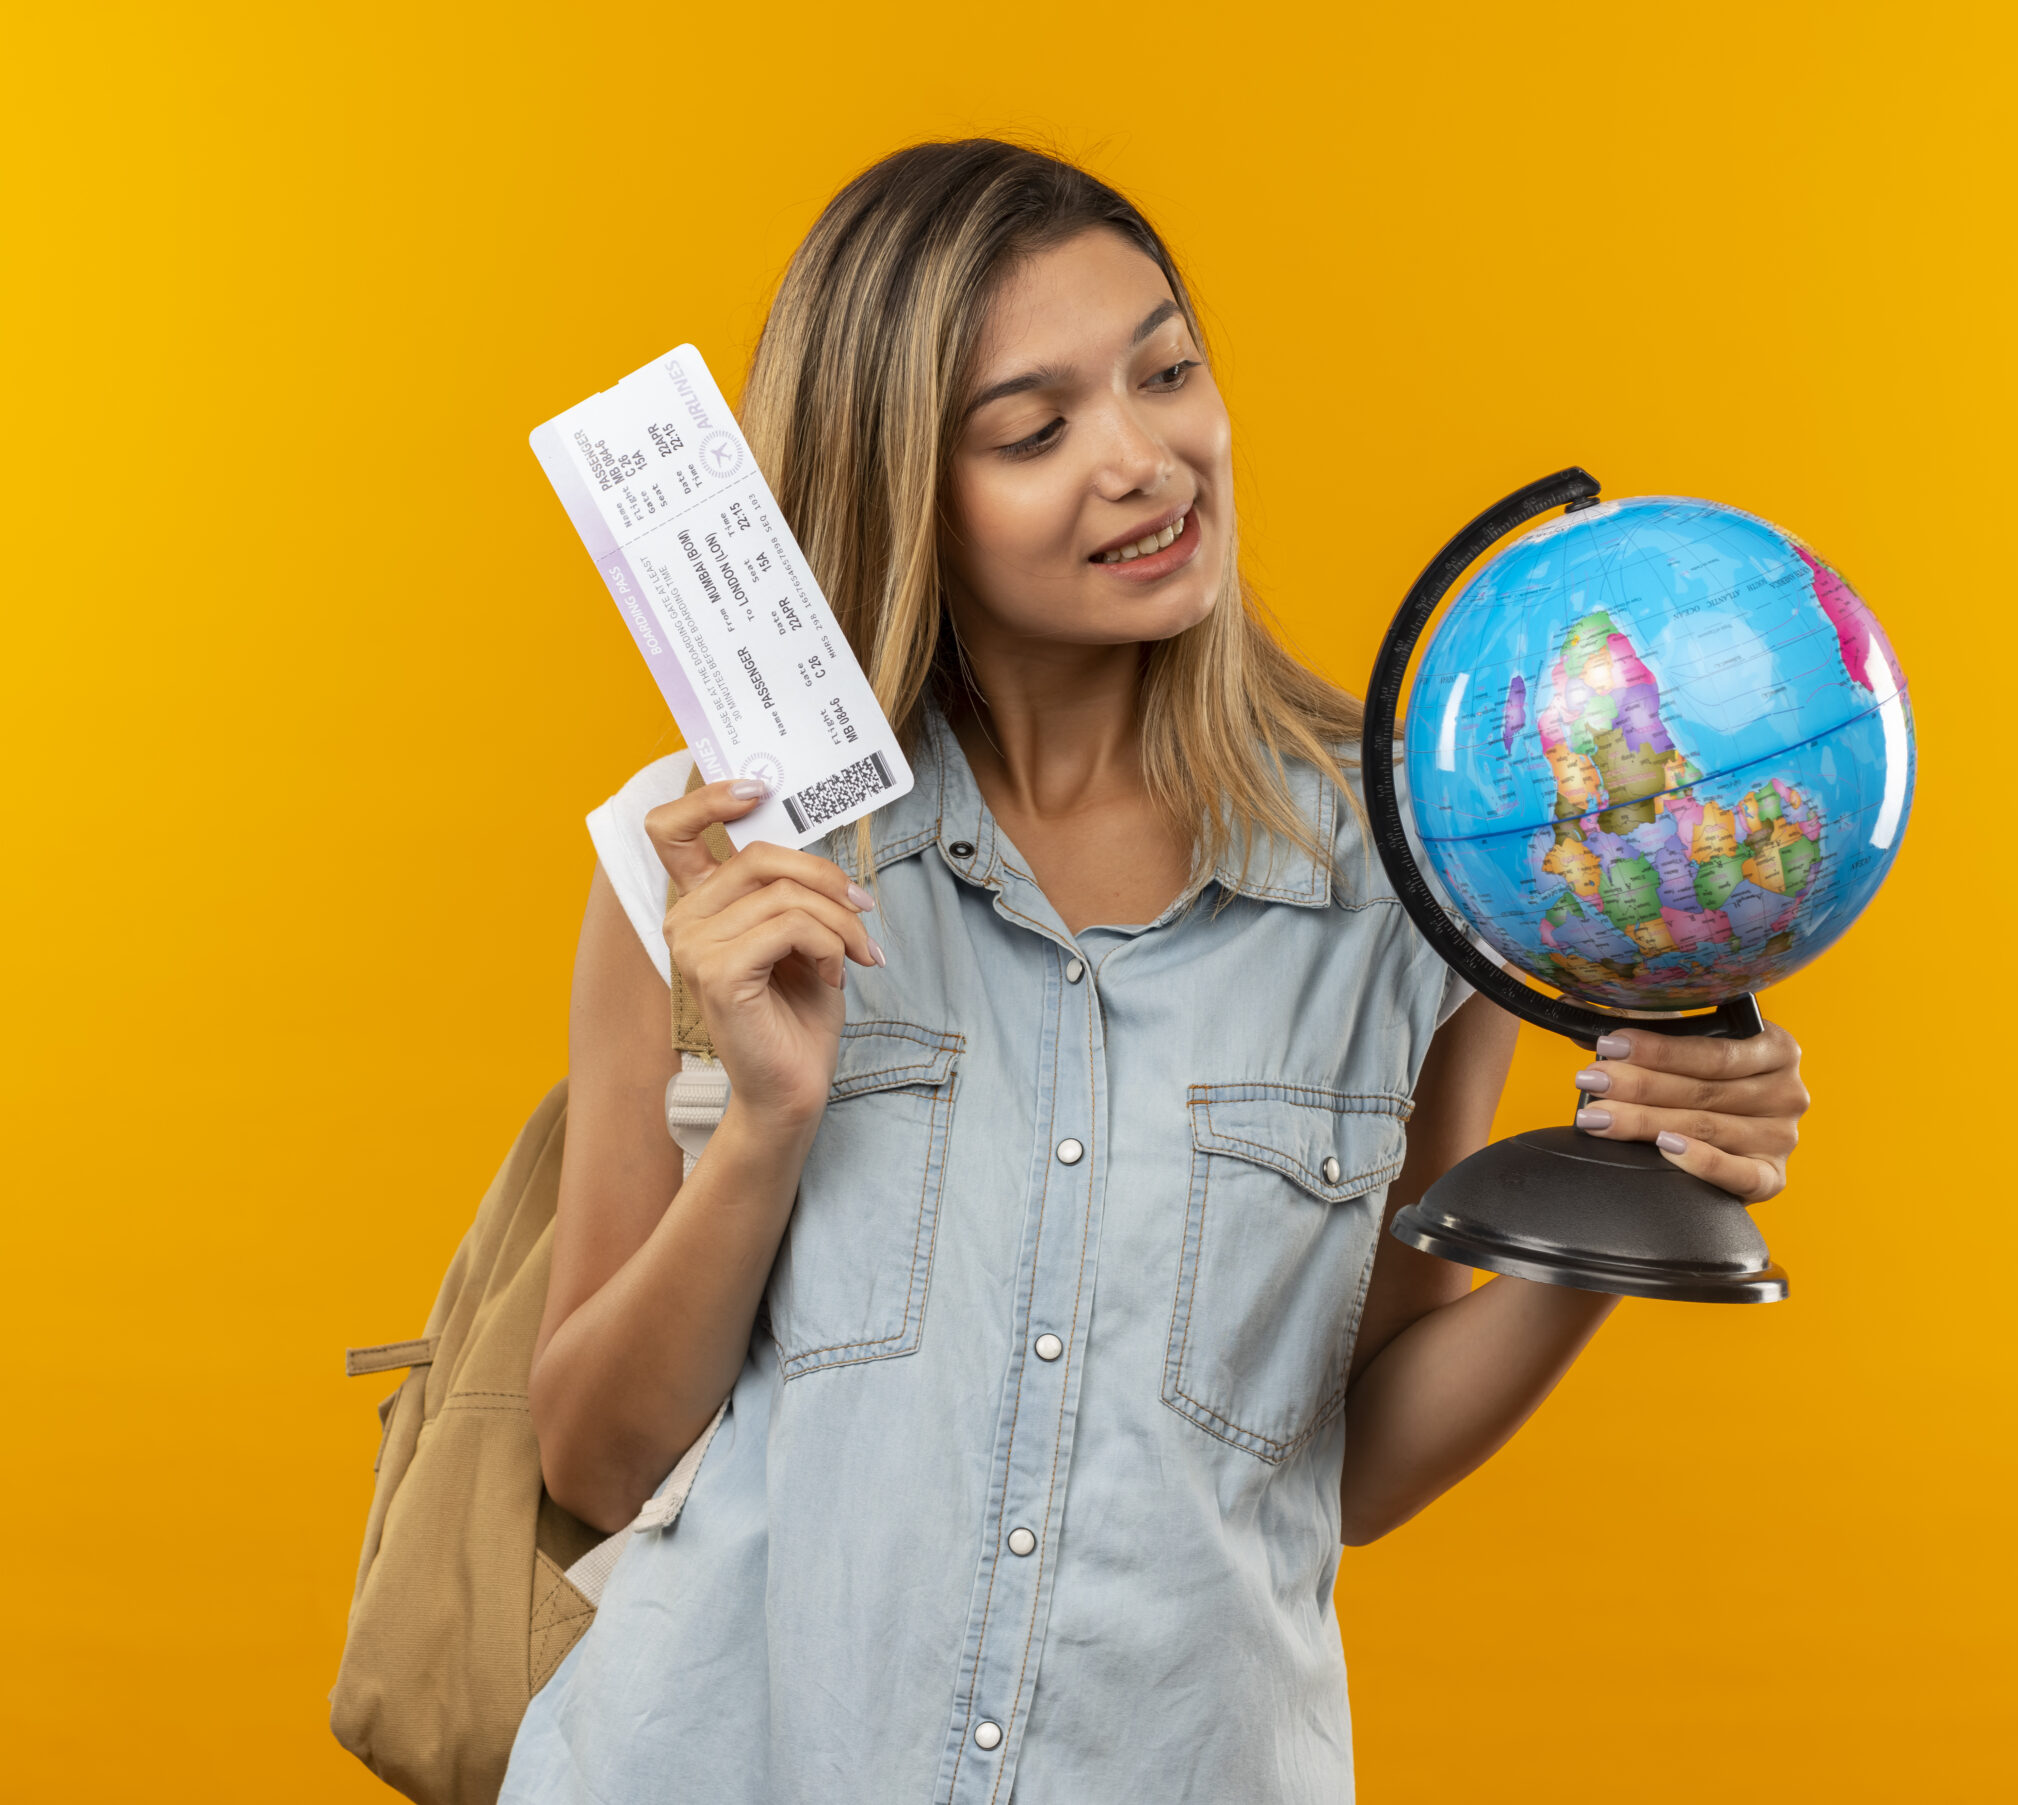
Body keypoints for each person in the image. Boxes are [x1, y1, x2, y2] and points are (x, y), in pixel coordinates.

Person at [506, 140, 1808, 1805]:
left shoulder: (1417, 876)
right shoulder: (714, 875)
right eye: (1034, 431)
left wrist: (1621, 1191)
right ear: (903, 484)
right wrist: (766, 1122)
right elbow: (597, 1461)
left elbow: (1338, 1460)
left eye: (1167, 371)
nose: (1143, 460)